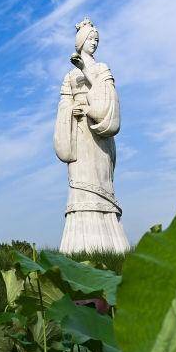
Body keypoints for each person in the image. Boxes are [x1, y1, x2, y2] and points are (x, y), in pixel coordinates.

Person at [53, 17, 129, 253]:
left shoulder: (101, 69)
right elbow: (63, 105)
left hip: (98, 136)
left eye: (96, 39)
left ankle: (111, 247)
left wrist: (86, 72)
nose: (94, 43)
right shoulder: (69, 76)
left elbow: (107, 101)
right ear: (81, 42)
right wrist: (71, 110)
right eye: (90, 39)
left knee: (101, 182)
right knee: (81, 187)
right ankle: (78, 247)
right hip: (79, 136)